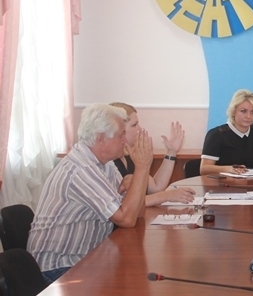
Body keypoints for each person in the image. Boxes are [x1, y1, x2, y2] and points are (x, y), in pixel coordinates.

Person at [28, 104, 153, 282]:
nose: (125, 140)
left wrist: (136, 182)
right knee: (131, 282)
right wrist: (142, 168)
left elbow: (136, 215)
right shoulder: (81, 169)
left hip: (85, 258)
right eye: (121, 135)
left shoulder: (105, 164)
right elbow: (126, 219)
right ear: (101, 138)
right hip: (59, 267)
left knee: (134, 275)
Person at [109, 102, 195, 206]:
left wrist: (171, 152)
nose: (140, 129)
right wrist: (167, 195)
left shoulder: (130, 155)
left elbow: (156, 187)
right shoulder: (109, 162)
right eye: (134, 125)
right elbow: (125, 204)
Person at [200, 89, 253, 175]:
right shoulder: (217, 134)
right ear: (233, 111)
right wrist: (228, 169)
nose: (248, 116)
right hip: (224, 182)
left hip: (252, 181)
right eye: (243, 111)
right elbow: (204, 169)